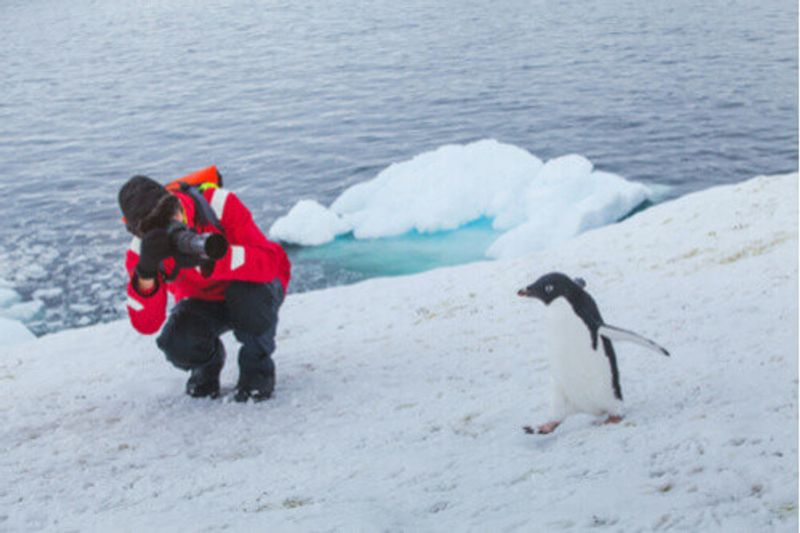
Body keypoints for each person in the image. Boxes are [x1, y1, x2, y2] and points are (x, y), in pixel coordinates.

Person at [118, 170, 291, 402]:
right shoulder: (142, 251)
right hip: (205, 302)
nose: (176, 223)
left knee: (250, 302)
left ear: (176, 202)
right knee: (177, 342)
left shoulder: (219, 204)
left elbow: (270, 264)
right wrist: (146, 273)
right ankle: (207, 364)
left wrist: (215, 261)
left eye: (174, 213)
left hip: (254, 288)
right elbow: (147, 324)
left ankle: (257, 368)